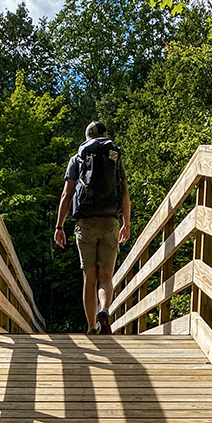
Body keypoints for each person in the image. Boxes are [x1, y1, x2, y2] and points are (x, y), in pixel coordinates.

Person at [54, 120, 131, 333]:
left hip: (85, 222)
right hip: (110, 221)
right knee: (106, 276)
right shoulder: (113, 157)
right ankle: (104, 310)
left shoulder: (78, 158)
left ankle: (91, 327)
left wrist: (59, 226)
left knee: (89, 277)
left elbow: (66, 194)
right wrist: (126, 223)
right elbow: (124, 193)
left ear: (87, 138)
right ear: (105, 136)